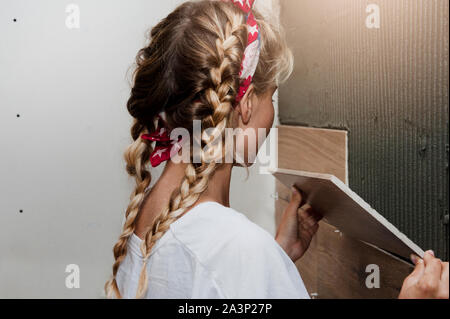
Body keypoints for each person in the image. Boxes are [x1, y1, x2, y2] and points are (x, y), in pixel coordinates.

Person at [104, 0, 449, 299]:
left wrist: (274, 259)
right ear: (246, 104)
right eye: (272, 97)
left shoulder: (150, 211)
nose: (271, 113)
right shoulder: (238, 249)